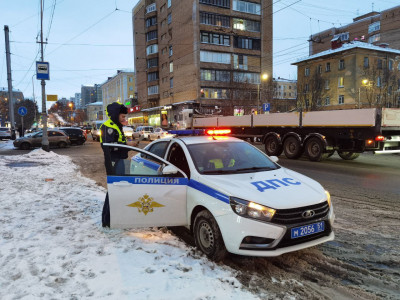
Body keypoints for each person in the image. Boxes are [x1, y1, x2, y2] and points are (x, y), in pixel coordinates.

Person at [100, 102, 139, 227]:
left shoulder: (116, 126)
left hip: (120, 161)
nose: (124, 119)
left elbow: (119, 143)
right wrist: (128, 145)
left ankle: (115, 218)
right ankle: (107, 221)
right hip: (113, 162)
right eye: (122, 116)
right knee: (114, 190)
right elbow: (110, 147)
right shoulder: (108, 126)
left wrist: (129, 144)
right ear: (116, 115)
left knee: (118, 190)